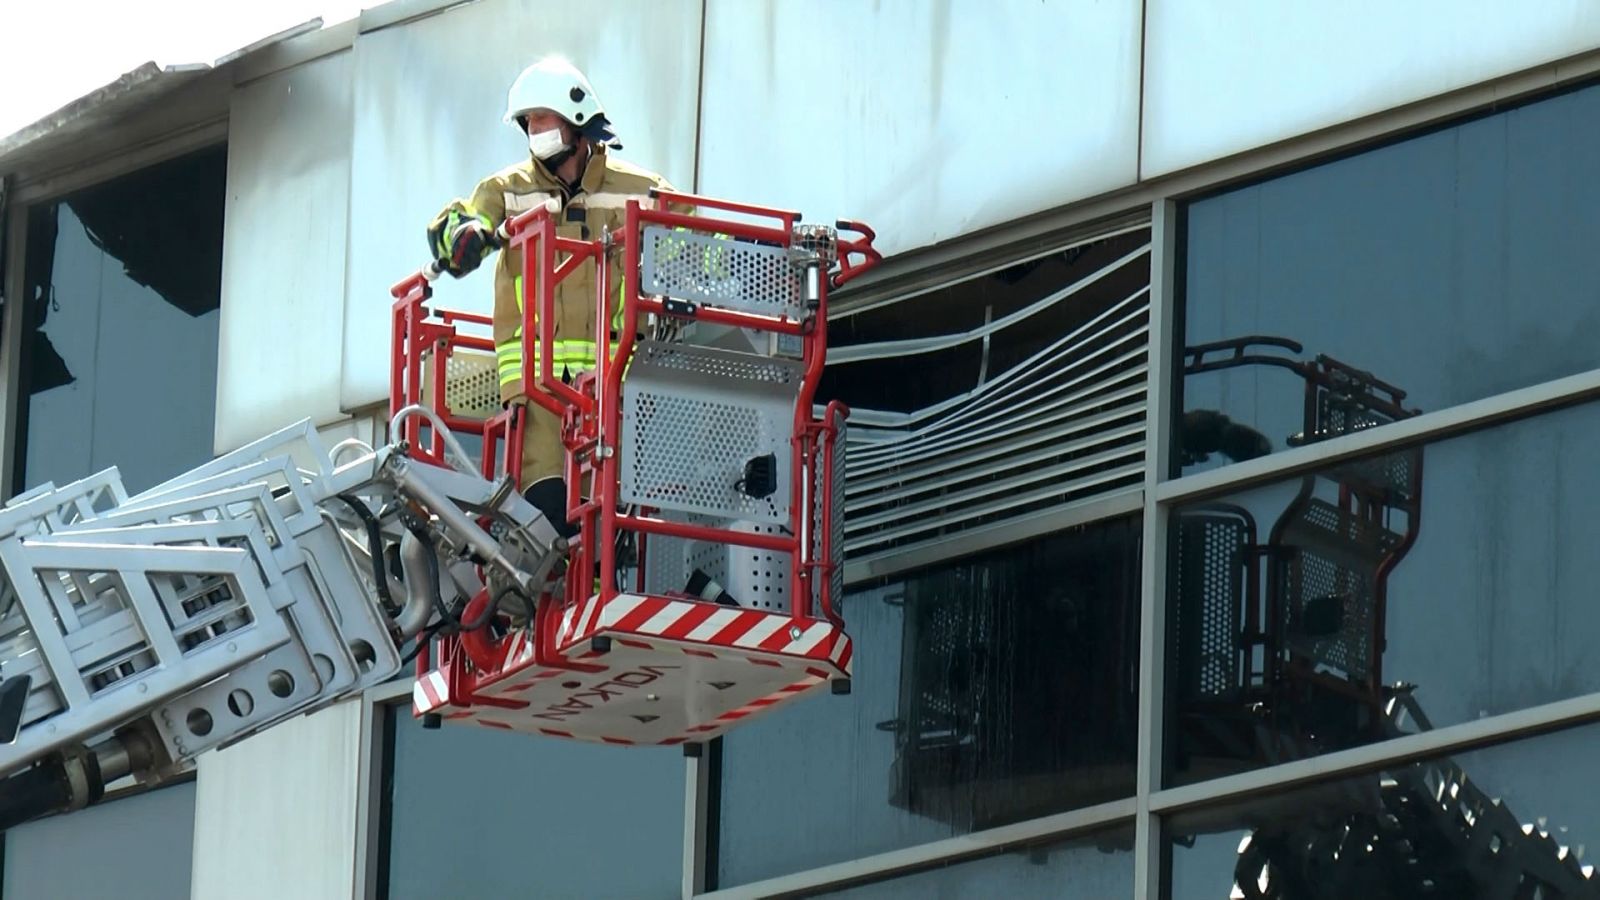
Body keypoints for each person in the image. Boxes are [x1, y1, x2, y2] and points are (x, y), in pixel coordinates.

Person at [427, 57, 680, 537]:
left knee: (609, 513)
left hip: (614, 385)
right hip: (536, 390)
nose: (535, 130)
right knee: (545, 511)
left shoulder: (641, 192)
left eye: (544, 119)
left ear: (578, 122)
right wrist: (462, 235)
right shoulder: (506, 190)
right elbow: (457, 225)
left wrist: (758, 260)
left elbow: (699, 245)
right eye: (529, 123)